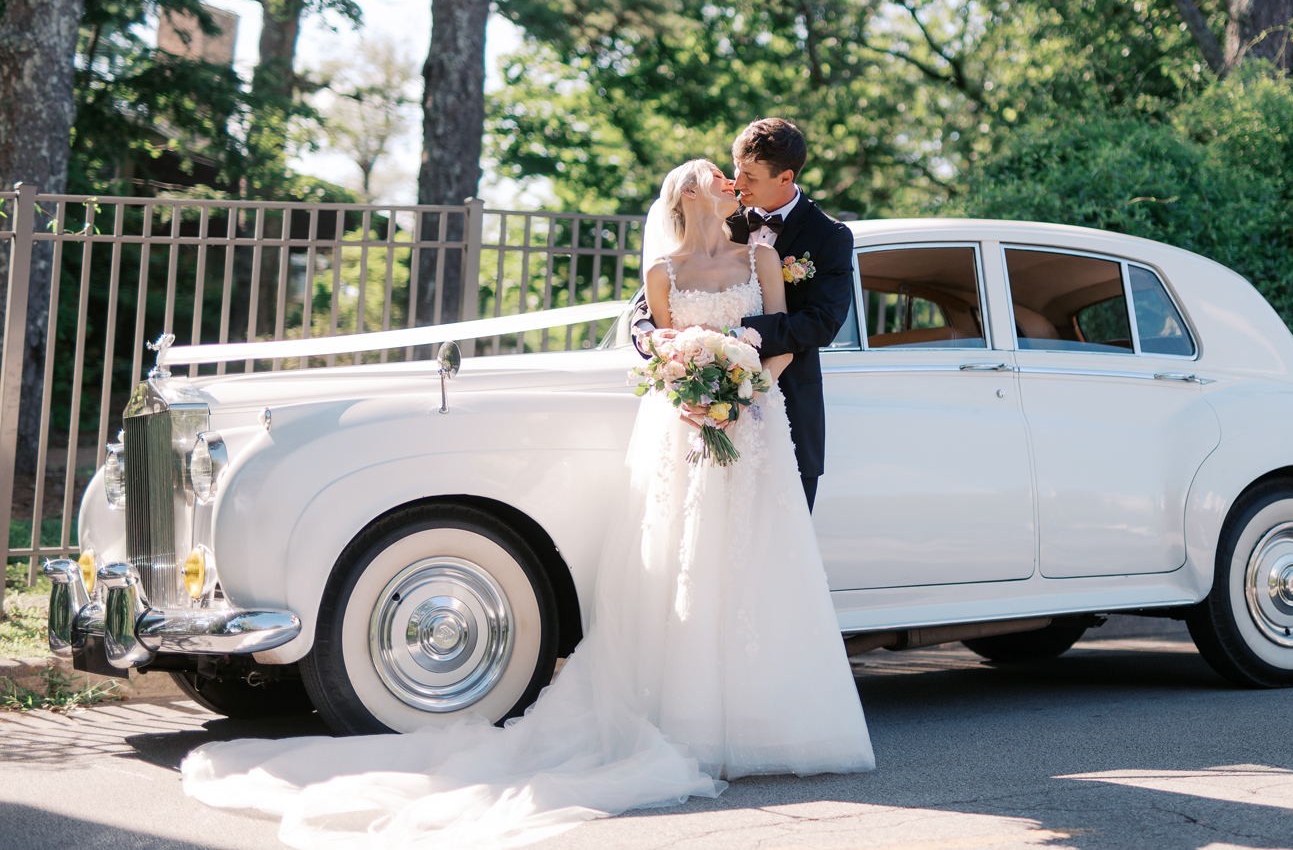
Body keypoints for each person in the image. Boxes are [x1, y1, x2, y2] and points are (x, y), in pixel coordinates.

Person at [180, 157, 874, 850]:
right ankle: (694, 722)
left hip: (756, 425)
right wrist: (690, 390)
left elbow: (797, 330)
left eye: (741, 174)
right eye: (720, 175)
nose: (732, 182)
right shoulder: (664, 270)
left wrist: (739, 394)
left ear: (777, 175)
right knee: (685, 569)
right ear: (689, 192)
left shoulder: (774, 251)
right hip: (688, 427)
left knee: (758, 569)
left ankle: (767, 722)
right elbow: (652, 336)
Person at [633, 118, 855, 511]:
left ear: (785, 177)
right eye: (734, 169)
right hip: (697, 410)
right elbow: (651, 298)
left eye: (749, 175)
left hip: (784, 411)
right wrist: (652, 336)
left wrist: (728, 336)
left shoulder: (829, 236)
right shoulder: (719, 216)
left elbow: (821, 323)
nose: (736, 182)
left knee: (777, 541)